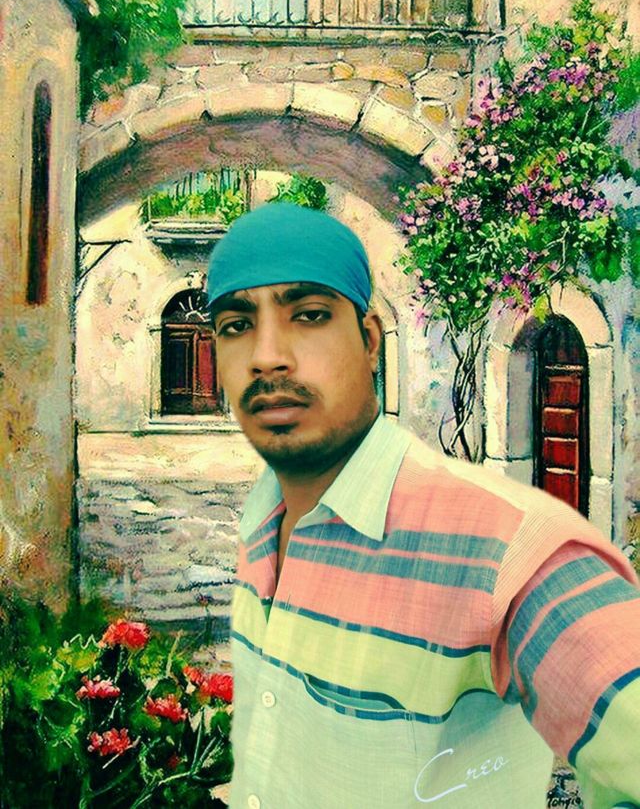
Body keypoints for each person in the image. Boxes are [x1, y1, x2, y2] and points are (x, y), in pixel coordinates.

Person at [206, 202, 640, 809]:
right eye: (235, 325)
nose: (266, 355)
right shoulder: (263, 517)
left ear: (369, 341)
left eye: (308, 315)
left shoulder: (510, 550)